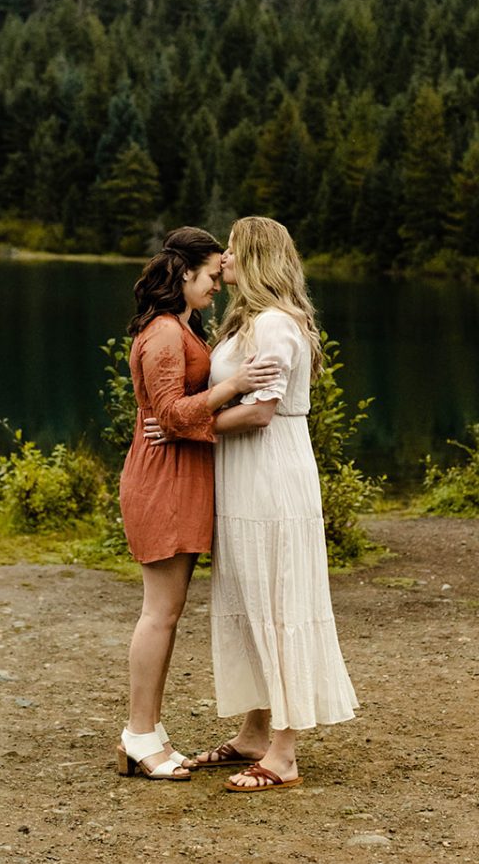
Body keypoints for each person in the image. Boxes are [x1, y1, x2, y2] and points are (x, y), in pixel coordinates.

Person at [152, 215, 358, 791]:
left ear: (259, 258)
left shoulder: (275, 325)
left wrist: (185, 429)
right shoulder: (246, 323)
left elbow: (262, 412)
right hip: (242, 476)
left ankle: (284, 754)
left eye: (235, 251)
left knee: (278, 599)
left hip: (271, 474)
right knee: (248, 599)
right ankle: (253, 732)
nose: (224, 261)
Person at [117, 226, 279, 782]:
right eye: (212, 275)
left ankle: (150, 731)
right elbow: (171, 414)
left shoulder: (181, 327)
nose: (217, 285)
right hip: (162, 480)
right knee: (159, 612)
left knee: (168, 611)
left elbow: (179, 416)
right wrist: (235, 387)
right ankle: (139, 734)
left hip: (178, 476)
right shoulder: (164, 333)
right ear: (184, 273)